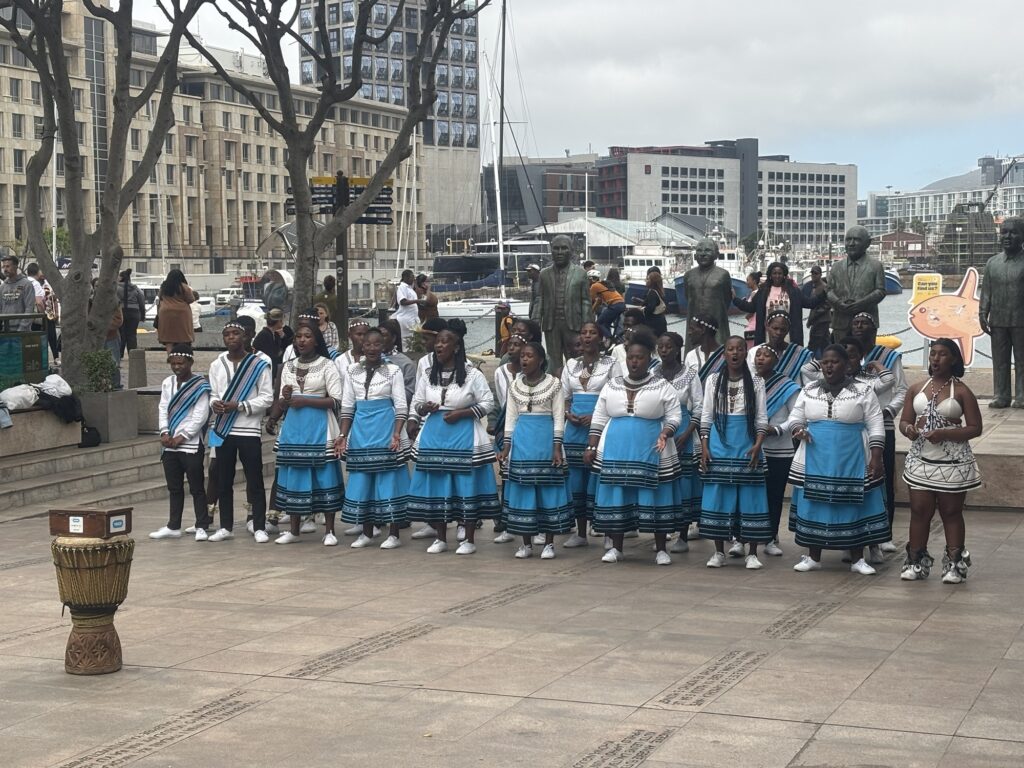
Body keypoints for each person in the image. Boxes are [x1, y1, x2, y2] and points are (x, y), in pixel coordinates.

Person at [787, 344, 889, 575]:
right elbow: (796, 416)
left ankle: (857, 560)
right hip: (815, 455)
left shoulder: (864, 390)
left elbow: (875, 424)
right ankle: (813, 557)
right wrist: (798, 430)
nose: (829, 365)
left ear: (846, 365)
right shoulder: (809, 389)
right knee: (814, 502)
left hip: (851, 455)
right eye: (825, 362)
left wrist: (876, 458)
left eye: (835, 362)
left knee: (852, 503)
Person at [585, 329, 683, 565]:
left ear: (649, 359)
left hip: (651, 448)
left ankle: (661, 549)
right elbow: (599, 417)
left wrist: (666, 432)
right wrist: (591, 446)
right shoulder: (612, 385)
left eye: (639, 357)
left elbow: (675, 416)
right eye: (630, 357)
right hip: (616, 448)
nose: (634, 361)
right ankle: (616, 548)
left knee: (655, 497)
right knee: (618, 495)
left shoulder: (662, 386)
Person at [407, 324, 500, 554]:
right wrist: (424, 408)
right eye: (438, 341)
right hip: (434, 434)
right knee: (437, 485)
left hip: (463, 434)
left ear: (457, 347)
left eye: (445, 341)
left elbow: (488, 403)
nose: (439, 345)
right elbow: (416, 402)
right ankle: (440, 537)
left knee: (464, 485)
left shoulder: (472, 374)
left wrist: (463, 413)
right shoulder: (429, 375)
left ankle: (468, 538)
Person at [899, 339, 982, 583]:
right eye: (933, 354)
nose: (935, 359)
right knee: (919, 511)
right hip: (922, 459)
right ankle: (915, 561)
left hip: (953, 462)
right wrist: (909, 430)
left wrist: (945, 433)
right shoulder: (916, 388)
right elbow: (904, 421)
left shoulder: (963, 391)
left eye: (942, 355)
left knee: (951, 512)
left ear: (954, 359)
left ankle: (954, 564)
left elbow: (976, 428)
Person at [267, 322, 344, 546]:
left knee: (324, 474)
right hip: (294, 427)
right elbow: (283, 401)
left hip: (319, 425)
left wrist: (305, 400)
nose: (301, 340)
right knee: (294, 475)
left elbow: (337, 400)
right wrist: (277, 411)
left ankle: (329, 531)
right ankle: (294, 530)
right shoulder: (287, 366)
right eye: (298, 336)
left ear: (316, 340)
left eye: (307, 336)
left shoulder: (327, 365)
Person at [699, 336, 770, 570]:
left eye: (740, 349)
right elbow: (706, 416)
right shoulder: (712, 381)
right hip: (719, 444)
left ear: (745, 354)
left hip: (747, 444)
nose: (735, 353)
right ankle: (718, 552)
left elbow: (761, 418)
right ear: (724, 354)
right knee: (718, 496)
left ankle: (751, 552)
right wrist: (705, 447)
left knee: (750, 497)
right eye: (730, 349)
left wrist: (758, 444)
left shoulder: (757, 382)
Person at [337, 327, 410, 550]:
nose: (371, 348)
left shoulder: (393, 371)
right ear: (361, 345)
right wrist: (342, 435)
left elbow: (400, 405)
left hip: (385, 428)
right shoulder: (351, 371)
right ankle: (367, 532)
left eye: (377, 344)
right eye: (367, 344)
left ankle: (394, 533)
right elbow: (348, 406)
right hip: (361, 430)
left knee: (389, 480)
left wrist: (397, 432)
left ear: (384, 346)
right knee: (363, 481)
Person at [499, 342, 572, 559]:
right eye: (522, 356)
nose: (524, 359)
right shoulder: (515, 386)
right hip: (523, 440)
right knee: (523, 490)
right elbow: (510, 419)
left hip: (545, 438)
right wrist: (506, 447)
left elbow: (559, 417)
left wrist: (557, 447)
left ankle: (549, 543)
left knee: (548, 489)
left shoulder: (554, 384)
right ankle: (526, 543)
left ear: (541, 360)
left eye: (529, 356)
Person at [206, 321, 274, 543]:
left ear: (245, 337)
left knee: (254, 479)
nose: (231, 338)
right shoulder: (217, 365)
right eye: (227, 334)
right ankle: (226, 526)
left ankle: (259, 525)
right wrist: (215, 403)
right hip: (224, 429)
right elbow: (213, 393)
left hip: (249, 429)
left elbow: (266, 398)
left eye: (236, 333)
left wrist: (240, 405)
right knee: (223, 478)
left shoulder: (258, 364)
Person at [851, 311, 908, 558]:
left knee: (882, 477)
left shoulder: (889, 356)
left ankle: (884, 534)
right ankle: (855, 534)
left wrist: (889, 410)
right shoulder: (846, 355)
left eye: (864, 323)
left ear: (875, 328)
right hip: (853, 427)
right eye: (855, 323)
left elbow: (902, 389)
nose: (860, 326)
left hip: (881, 426)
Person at [560, 322, 619, 549]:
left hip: (601, 425)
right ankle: (581, 533)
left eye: (592, 332)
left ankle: (606, 532)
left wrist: (596, 416)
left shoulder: (611, 364)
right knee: (576, 482)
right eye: (583, 332)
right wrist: (568, 414)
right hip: (574, 429)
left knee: (599, 479)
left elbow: (617, 392)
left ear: (601, 338)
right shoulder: (571, 365)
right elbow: (565, 396)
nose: (587, 337)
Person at [149, 344, 212, 541]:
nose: (177, 367)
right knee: (174, 487)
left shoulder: (200, 385)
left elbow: (200, 415)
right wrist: (165, 432)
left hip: (191, 444)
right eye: (173, 363)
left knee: (196, 487)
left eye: (181, 363)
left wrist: (181, 437)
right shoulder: (168, 383)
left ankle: (202, 525)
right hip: (170, 445)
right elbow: (163, 408)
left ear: (190, 363)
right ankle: (173, 525)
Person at [752, 344, 802, 557]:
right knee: (750, 493)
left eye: (766, 355)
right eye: (758, 355)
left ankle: (770, 537)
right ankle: (743, 537)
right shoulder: (747, 382)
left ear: (776, 360)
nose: (761, 359)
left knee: (774, 495)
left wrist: (778, 429)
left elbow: (797, 416)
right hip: (753, 447)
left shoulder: (787, 386)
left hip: (779, 450)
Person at [655, 332, 703, 553]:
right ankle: (662, 530)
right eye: (661, 346)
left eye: (668, 346)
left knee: (683, 483)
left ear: (678, 349)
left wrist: (687, 433)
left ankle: (682, 535)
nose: (664, 350)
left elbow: (700, 407)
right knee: (662, 481)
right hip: (659, 431)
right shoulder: (652, 373)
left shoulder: (691, 375)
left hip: (683, 431)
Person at [979, 217, 1024, 408]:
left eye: (1013, 232)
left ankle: (1022, 395)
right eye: (1004, 232)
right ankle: (1001, 395)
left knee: (1022, 361)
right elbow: (987, 291)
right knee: (1000, 361)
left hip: (1021, 320)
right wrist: (982, 312)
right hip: (997, 320)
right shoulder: (992, 263)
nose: (1008, 236)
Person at [533, 234, 590, 373]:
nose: (559, 252)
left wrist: (588, 326)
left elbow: (586, 301)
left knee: (576, 359)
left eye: (563, 248)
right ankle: (555, 388)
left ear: (571, 251)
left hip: (574, 323)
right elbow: (539, 298)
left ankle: (576, 386)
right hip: (551, 324)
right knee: (553, 360)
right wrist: (534, 322)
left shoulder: (580, 273)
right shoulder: (544, 274)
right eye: (556, 248)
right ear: (551, 251)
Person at [734, 262, 816, 347]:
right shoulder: (763, 291)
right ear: (770, 275)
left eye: (780, 273)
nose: (777, 276)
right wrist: (735, 299)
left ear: (784, 274)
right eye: (774, 273)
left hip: (789, 336)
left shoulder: (793, 291)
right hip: (767, 335)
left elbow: (810, 303)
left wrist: (824, 293)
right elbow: (750, 307)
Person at [826, 226, 886, 342]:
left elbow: (881, 291)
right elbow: (829, 290)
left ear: (867, 243)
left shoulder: (875, 266)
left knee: (865, 355)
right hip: (840, 322)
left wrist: (860, 304)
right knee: (840, 356)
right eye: (848, 240)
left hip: (866, 323)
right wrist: (839, 303)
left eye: (857, 240)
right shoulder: (836, 267)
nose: (851, 243)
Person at [683, 239, 732, 351]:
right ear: (695, 255)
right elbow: (688, 297)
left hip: (717, 320)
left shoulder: (723, 275)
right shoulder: (688, 275)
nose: (703, 254)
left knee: (719, 351)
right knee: (693, 352)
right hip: (694, 321)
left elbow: (727, 299)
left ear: (716, 254)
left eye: (707, 250)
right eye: (699, 250)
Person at [745, 311, 818, 387]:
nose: (778, 332)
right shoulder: (754, 352)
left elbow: (810, 383)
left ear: (788, 330)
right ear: (767, 326)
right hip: (763, 397)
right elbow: (750, 381)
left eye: (783, 330)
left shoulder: (801, 354)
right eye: (775, 328)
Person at [253, 308, 294, 390]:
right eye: (282, 320)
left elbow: (287, 347)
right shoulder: (264, 335)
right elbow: (272, 356)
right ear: (279, 321)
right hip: (266, 370)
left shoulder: (276, 334)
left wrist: (283, 336)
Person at [378, 319, 417, 404]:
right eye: (378, 336)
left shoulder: (406, 363)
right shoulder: (368, 360)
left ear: (393, 338)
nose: (379, 339)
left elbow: (409, 393)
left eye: (384, 336)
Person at [156, 269, 196, 350]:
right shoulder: (184, 287)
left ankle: (170, 357)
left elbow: (159, 297)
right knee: (183, 336)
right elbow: (191, 299)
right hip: (182, 313)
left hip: (165, 313)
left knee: (168, 339)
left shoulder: (164, 286)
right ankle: (182, 356)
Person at [588, 269, 627, 340]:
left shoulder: (594, 286)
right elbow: (599, 301)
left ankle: (610, 339)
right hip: (621, 304)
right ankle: (612, 341)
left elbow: (592, 301)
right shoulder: (603, 284)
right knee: (606, 324)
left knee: (599, 323)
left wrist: (590, 311)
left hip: (614, 305)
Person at [0, 255, 36, 331]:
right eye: (4, 267)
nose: (5, 269)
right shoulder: (2, 287)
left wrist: (21, 329)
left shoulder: (26, 284)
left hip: (21, 332)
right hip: (5, 330)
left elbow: (29, 309)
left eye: (8, 266)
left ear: (16, 266)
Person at [685, 315, 724, 385]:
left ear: (703, 329)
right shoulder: (690, 356)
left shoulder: (725, 355)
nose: (689, 333)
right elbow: (687, 385)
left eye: (692, 329)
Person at [116, 269, 146, 358]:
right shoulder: (136, 288)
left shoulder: (116, 288)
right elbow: (141, 302)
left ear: (121, 278)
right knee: (132, 334)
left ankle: (119, 354)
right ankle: (133, 355)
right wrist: (143, 315)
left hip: (121, 311)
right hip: (134, 313)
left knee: (121, 333)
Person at [803, 265, 830, 358]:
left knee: (814, 343)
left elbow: (827, 305)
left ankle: (814, 359)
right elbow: (811, 305)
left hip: (822, 319)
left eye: (816, 273)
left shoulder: (824, 287)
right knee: (825, 341)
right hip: (816, 319)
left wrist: (813, 318)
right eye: (812, 273)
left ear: (820, 274)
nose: (813, 275)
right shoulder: (812, 287)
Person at [632, 267, 668, 337]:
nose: (646, 280)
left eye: (648, 279)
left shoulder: (652, 292)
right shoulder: (660, 291)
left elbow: (651, 308)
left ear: (652, 281)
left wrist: (642, 310)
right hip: (661, 321)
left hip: (653, 323)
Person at [393, 269, 420, 346]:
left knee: (414, 340)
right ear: (406, 277)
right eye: (412, 277)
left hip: (413, 318)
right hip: (406, 319)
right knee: (406, 342)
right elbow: (403, 302)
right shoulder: (402, 287)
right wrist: (417, 301)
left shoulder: (410, 288)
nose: (413, 279)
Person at [738, 270, 762, 347]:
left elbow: (752, 309)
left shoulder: (754, 294)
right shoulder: (758, 292)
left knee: (750, 348)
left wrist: (747, 315)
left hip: (753, 325)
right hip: (754, 323)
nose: (746, 282)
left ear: (754, 281)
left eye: (748, 280)